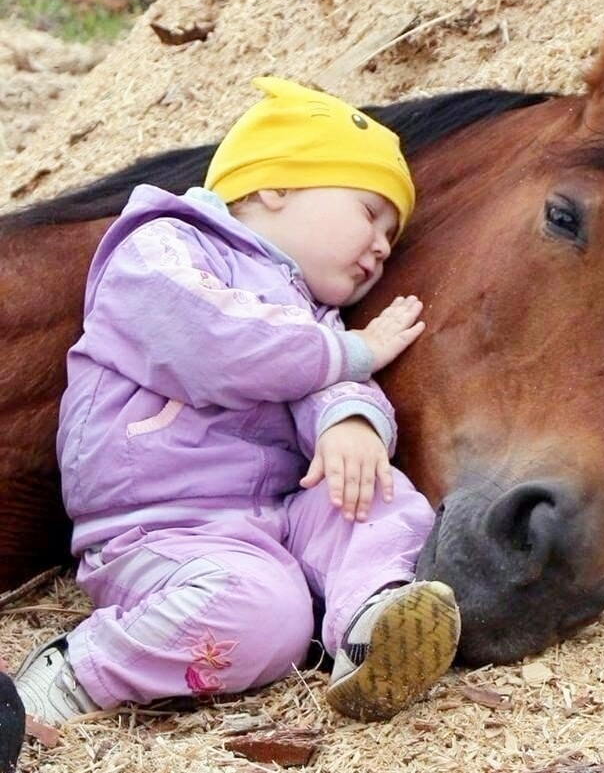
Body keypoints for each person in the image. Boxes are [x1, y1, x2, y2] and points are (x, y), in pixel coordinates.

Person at [14, 77, 460, 727]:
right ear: (275, 186)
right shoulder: (162, 246)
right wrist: (355, 352)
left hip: (269, 516)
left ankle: (372, 620)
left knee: (371, 492)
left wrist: (351, 420)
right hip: (161, 527)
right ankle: (80, 670)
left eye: (393, 234)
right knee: (266, 617)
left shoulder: (315, 316)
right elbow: (221, 342)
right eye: (370, 212)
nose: (383, 246)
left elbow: (323, 372)